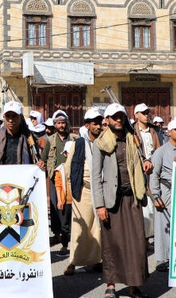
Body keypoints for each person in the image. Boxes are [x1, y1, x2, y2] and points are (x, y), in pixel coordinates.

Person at [92, 103, 152, 298]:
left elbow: (141, 160)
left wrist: (146, 164)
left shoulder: (133, 139)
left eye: (121, 116)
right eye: (114, 117)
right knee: (112, 244)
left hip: (133, 197)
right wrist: (100, 205)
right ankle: (111, 285)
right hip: (112, 201)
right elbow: (96, 177)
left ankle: (134, 285)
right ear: (107, 120)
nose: (118, 120)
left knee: (136, 244)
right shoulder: (100, 143)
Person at [63, 108, 104, 276]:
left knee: (98, 228)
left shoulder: (104, 142)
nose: (99, 126)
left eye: (100, 123)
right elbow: (68, 168)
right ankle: (72, 262)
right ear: (87, 125)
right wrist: (74, 187)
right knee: (80, 228)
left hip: (100, 190)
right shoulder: (78, 144)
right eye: (95, 123)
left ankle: (96, 261)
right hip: (84, 190)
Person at [149, 115, 176, 273]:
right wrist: (156, 195)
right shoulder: (160, 152)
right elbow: (154, 175)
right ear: (170, 131)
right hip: (166, 191)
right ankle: (161, 259)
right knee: (163, 226)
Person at [39, 109, 78, 255]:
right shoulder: (50, 140)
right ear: (55, 125)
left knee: (71, 208)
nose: (61, 125)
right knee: (57, 208)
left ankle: (72, 238)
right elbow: (43, 159)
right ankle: (60, 236)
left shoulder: (74, 138)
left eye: (63, 123)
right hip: (56, 179)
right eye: (58, 123)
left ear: (67, 124)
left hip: (72, 178)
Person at [133, 103, 160, 245]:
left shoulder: (154, 131)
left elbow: (158, 149)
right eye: (143, 113)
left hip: (154, 170)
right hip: (140, 172)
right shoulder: (132, 133)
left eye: (147, 112)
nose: (146, 115)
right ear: (136, 115)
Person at [0, 101, 39, 165]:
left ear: (21, 117)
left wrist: (40, 164)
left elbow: (36, 159)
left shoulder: (30, 139)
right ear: (4, 117)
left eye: (14, 116)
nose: (10, 120)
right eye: (8, 116)